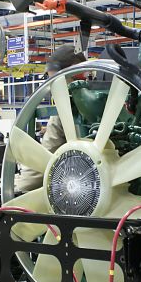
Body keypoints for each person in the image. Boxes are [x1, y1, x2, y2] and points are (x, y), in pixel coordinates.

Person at [15, 45, 86, 192]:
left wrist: (16, 194)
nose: (54, 90)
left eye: (57, 82)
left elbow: (44, 160)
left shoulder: (64, 111)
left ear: (78, 73)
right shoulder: (115, 98)